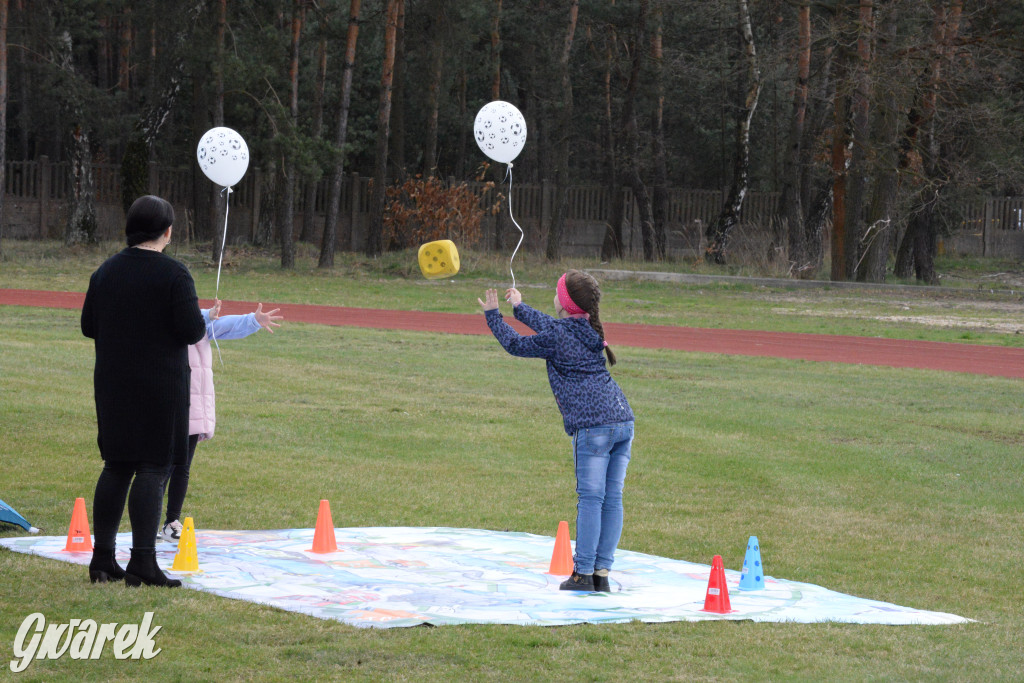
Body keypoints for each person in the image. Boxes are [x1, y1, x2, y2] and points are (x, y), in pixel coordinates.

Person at [478, 270, 635, 592]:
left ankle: (582, 575)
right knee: (611, 499)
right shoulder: (587, 327)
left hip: (594, 428)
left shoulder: (561, 333)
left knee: (591, 500)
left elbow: (515, 344)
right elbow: (552, 327)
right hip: (623, 420)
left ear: (563, 302)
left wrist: (493, 316)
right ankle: (600, 575)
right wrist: (519, 308)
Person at [81, 195, 207, 588]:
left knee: (116, 465)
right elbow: (191, 330)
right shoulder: (175, 274)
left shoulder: (105, 271)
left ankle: (102, 559)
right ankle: (142, 562)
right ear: (167, 231)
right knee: (154, 467)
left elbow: (88, 326)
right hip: (160, 385)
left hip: (113, 382)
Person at [159, 300, 283, 542]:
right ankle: (150, 523)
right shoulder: (168, 328)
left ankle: (171, 521)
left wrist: (253, 321)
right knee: (162, 469)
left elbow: (226, 325)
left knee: (182, 468)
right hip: (172, 408)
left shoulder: (201, 330)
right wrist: (207, 314)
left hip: (193, 411)